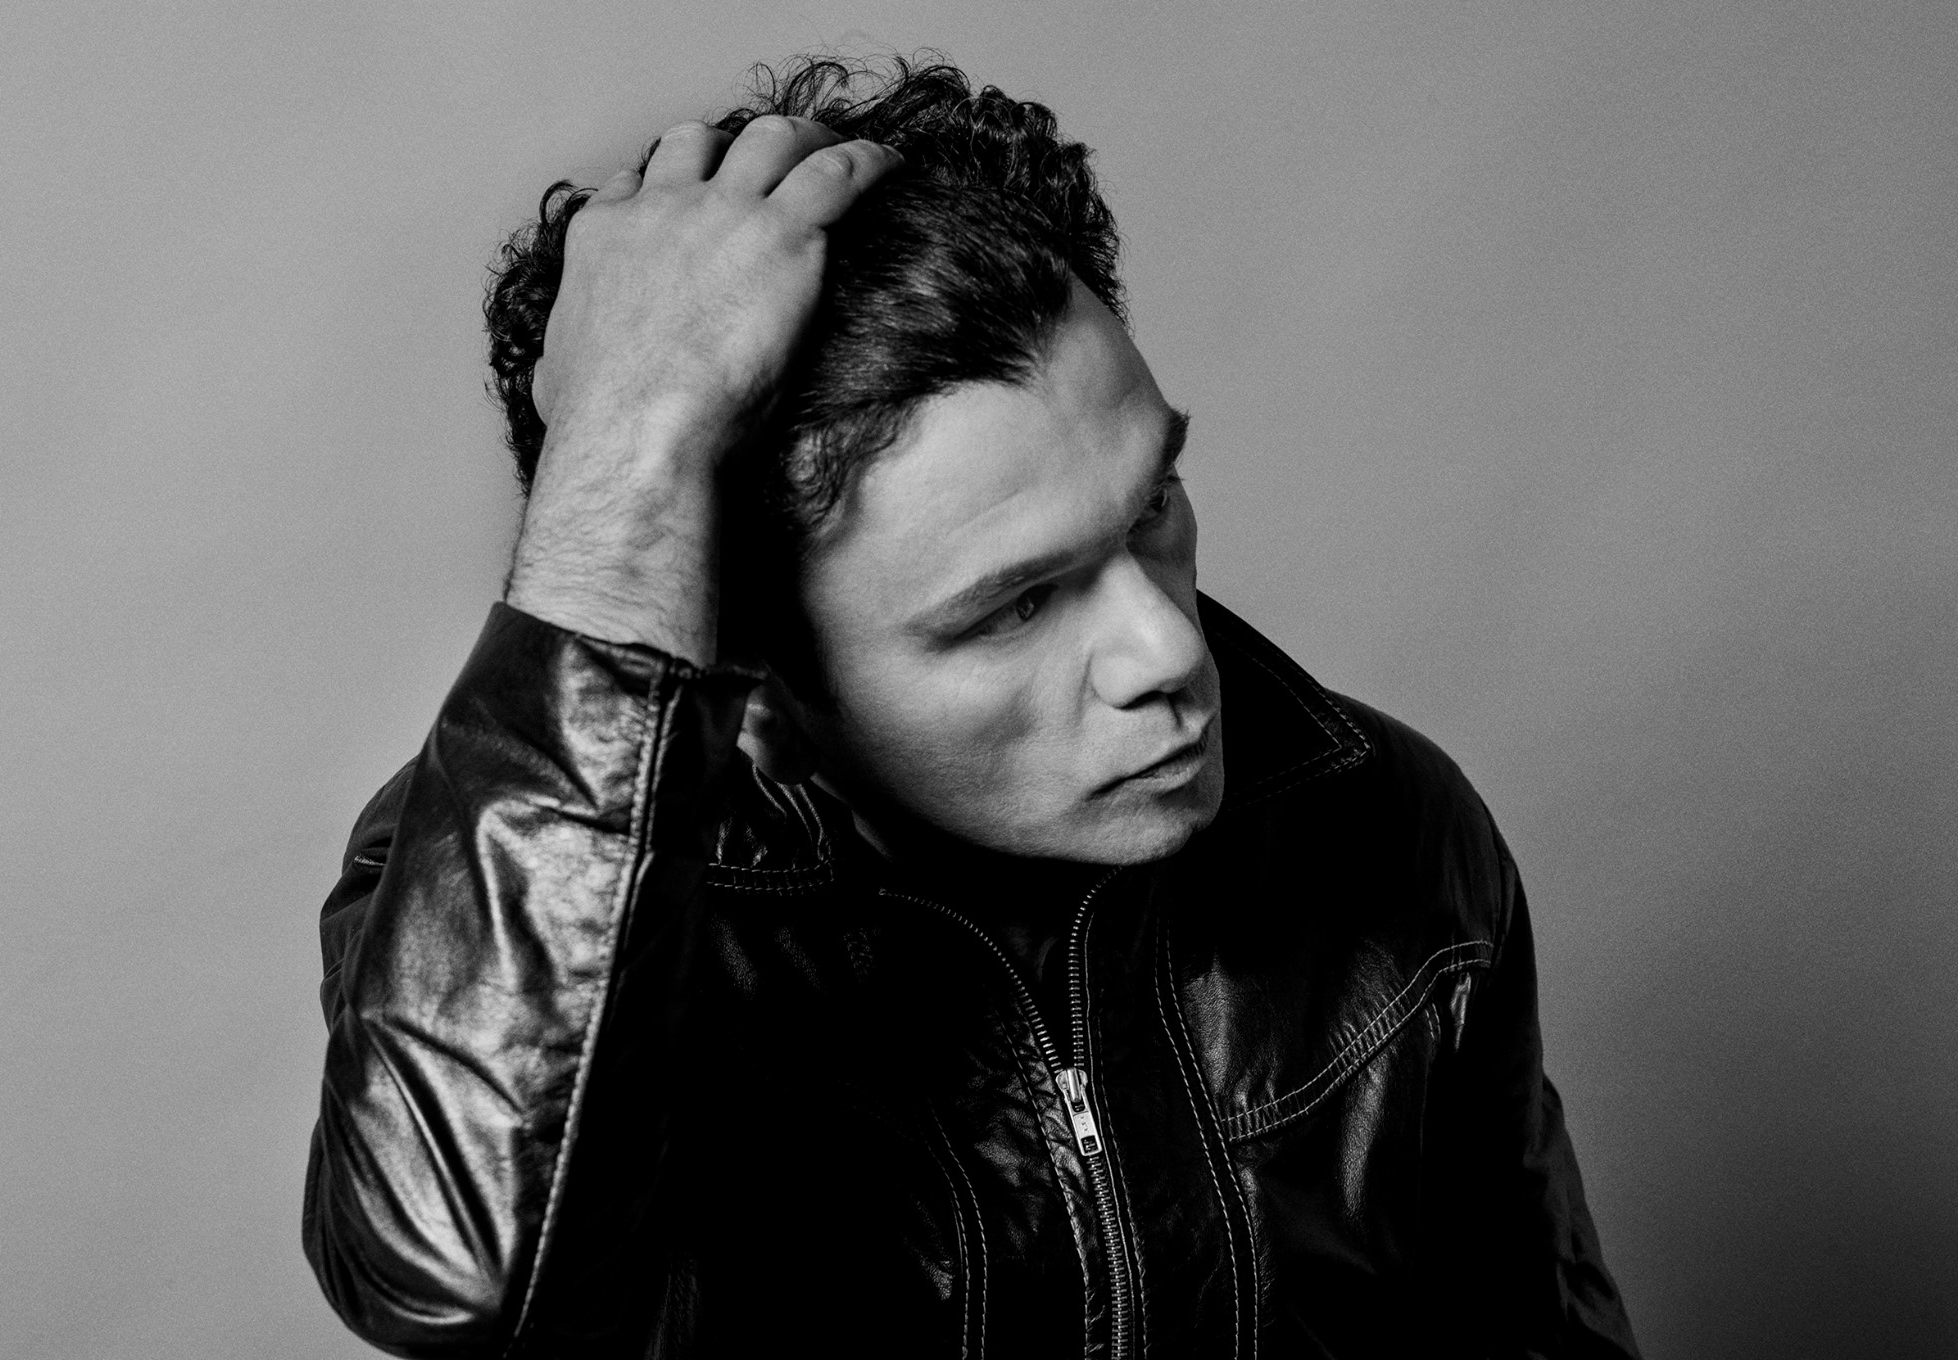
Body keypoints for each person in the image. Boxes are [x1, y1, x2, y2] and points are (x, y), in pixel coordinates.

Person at [302, 56, 1641, 1359]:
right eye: (1016, 605)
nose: (1166, 648)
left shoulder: (1381, 822)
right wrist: (626, 455)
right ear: (758, 675)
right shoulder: (500, 888)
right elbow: (457, 1275)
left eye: (1152, 508)